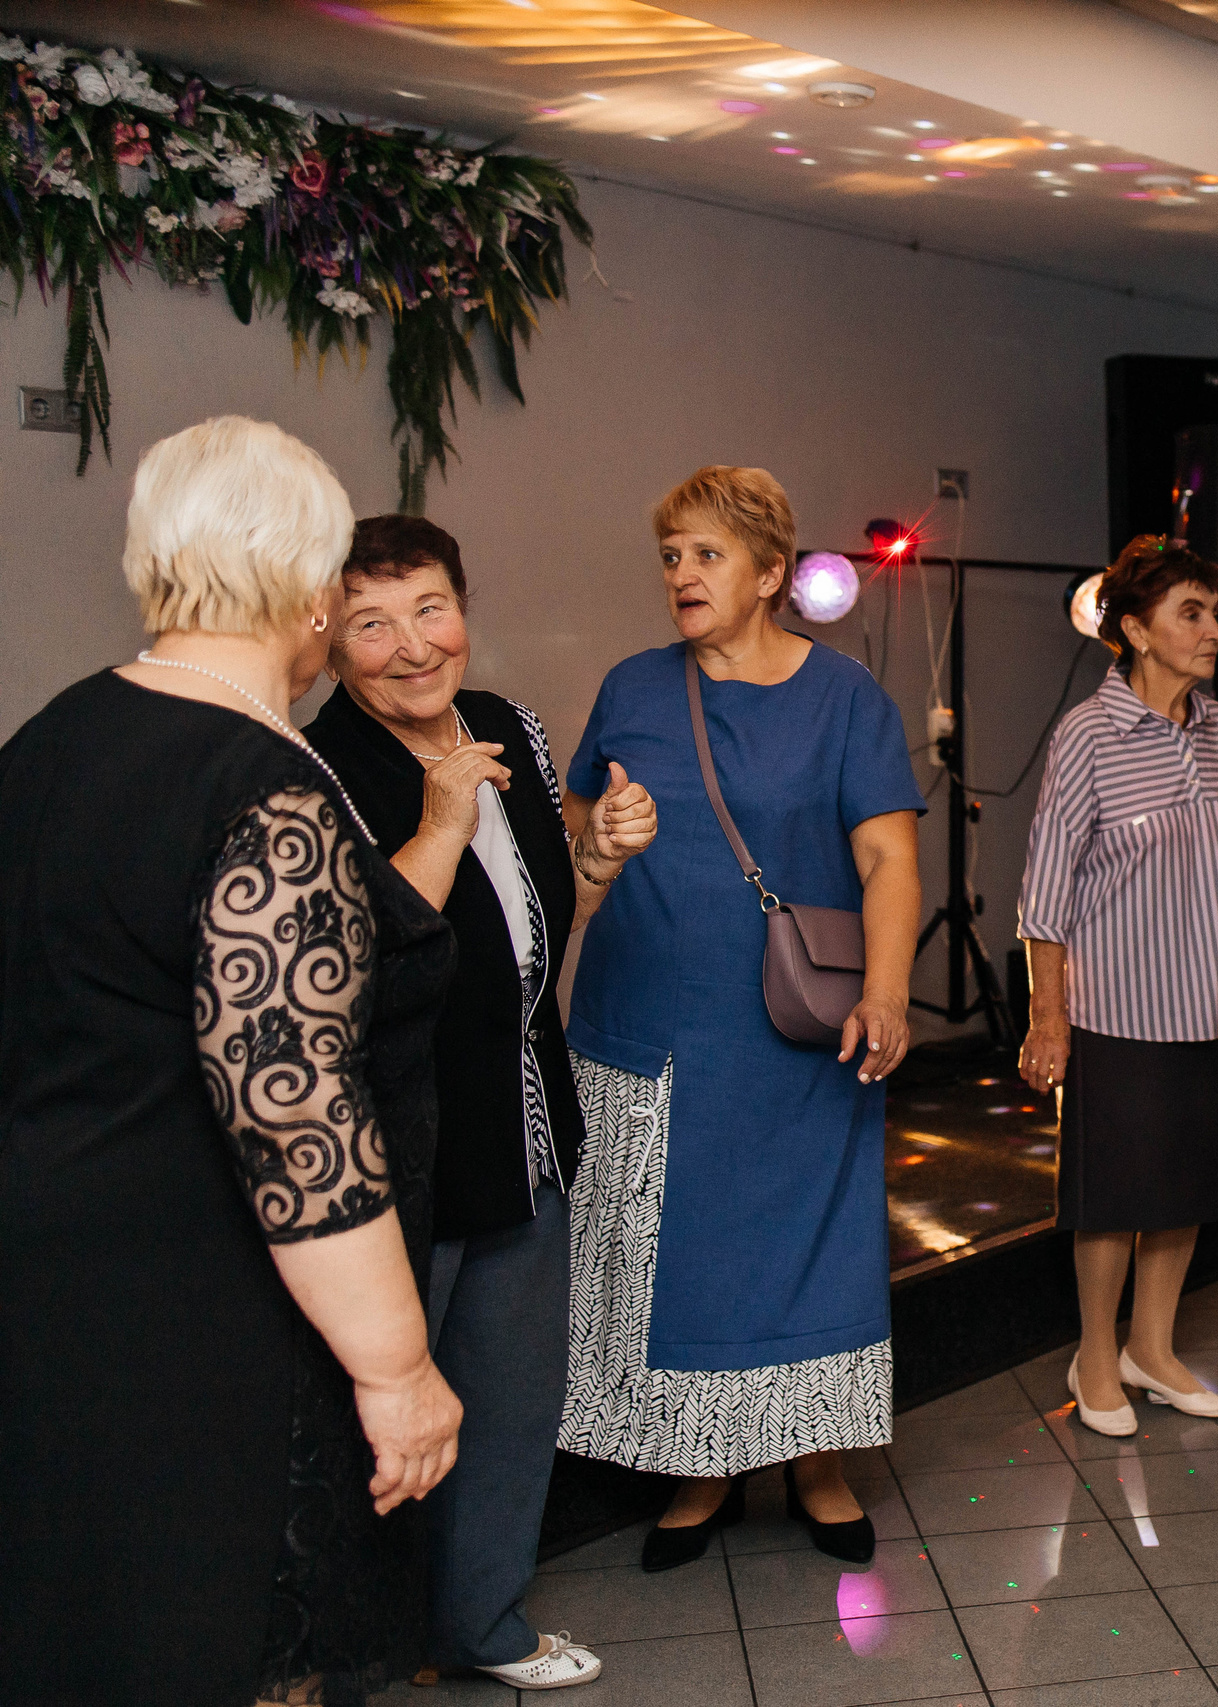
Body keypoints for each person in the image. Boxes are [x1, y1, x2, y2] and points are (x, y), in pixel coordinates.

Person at [0, 417, 464, 1706]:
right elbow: (292, 1108)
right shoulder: (265, 787)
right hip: (218, 1326)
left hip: (58, 1293)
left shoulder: (49, 740)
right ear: (315, 596)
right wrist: (397, 1368)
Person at [305, 515, 660, 1688]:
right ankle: (344, 1659)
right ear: (328, 636)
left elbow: (545, 916)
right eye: (372, 623)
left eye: (430, 610)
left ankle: (483, 1630)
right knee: (375, 1430)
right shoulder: (320, 765)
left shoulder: (508, 724)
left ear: (464, 606)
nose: (412, 647)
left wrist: (598, 849)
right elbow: (346, 962)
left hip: (525, 1128)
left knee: (510, 1409)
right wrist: (445, 822)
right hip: (400, 1153)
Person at [556, 466, 923, 1572]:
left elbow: (889, 857)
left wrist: (891, 988)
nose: (681, 575)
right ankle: (697, 1466)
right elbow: (579, 818)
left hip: (797, 1028)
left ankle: (817, 1463)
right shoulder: (631, 686)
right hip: (650, 1023)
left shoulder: (847, 697)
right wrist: (602, 828)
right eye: (671, 555)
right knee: (683, 1261)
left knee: (807, 1251)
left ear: (771, 574)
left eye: (706, 555)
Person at [1018, 536, 1218, 1434]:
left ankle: (1154, 1345)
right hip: (1115, 1010)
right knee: (1112, 1196)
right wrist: (1048, 1017)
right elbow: (1044, 895)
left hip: (1205, 1004)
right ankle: (1095, 1356)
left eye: (1213, 610)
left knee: (1184, 1186)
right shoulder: (1086, 736)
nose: (1214, 629)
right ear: (1136, 629)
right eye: (1192, 612)